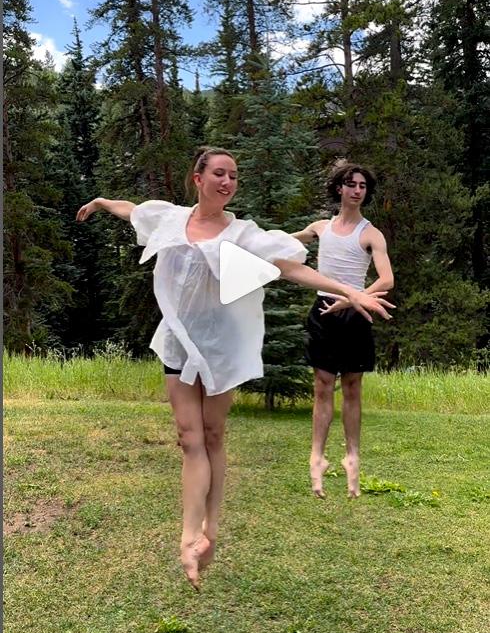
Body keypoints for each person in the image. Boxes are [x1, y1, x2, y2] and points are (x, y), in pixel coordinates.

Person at [76, 147, 394, 589]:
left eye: (234, 176)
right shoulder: (170, 219)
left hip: (220, 347)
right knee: (188, 438)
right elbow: (133, 211)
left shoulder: (242, 233)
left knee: (212, 435)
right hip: (178, 344)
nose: (228, 182)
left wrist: (350, 291)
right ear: (198, 178)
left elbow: (290, 268)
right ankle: (190, 538)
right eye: (219, 174)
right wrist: (100, 202)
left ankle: (212, 529)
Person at [292, 159, 394, 500]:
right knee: (322, 386)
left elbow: (386, 280)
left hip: (355, 313)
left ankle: (352, 458)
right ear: (339, 188)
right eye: (351, 184)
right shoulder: (320, 228)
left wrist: (352, 300)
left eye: (362, 186)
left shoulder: (370, 233)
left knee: (352, 387)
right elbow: (283, 244)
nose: (357, 190)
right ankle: (317, 458)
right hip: (323, 311)